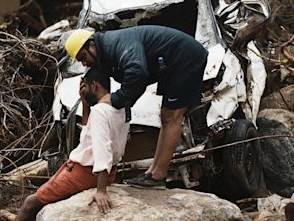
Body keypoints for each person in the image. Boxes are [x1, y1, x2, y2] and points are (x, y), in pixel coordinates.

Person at [64, 25, 208, 189]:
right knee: (166, 117)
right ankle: (151, 173)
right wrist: (88, 96)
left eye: (83, 57)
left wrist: (118, 99)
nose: (85, 63)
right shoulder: (104, 53)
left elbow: (137, 72)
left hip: (185, 58)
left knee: (173, 117)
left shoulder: (115, 44)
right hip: (170, 63)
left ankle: (157, 176)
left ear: (91, 45)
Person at [15, 68, 130, 221]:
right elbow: (89, 134)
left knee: (30, 203)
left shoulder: (99, 112)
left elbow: (103, 151)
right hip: (107, 173)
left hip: (84, 173)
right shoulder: (122, 108)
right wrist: (85, 102)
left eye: (86, 87)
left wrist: (101, 190)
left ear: (94, 86)